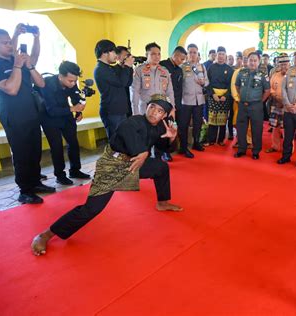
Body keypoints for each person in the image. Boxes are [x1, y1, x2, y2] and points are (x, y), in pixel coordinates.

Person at [30, 95, 182, 256]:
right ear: (146, 106)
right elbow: (132, 142)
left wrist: (172, 138)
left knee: (161, 168)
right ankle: (45, 234)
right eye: (152, 107)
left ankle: (163, 203)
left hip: (134, 164)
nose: (153, 112)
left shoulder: (159, 127)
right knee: (92, 209)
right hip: (113, 166)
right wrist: (144, 152)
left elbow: (164, 148)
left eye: (159, 111)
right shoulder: (132, 122)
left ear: (164, 115)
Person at [0, 25, 55, 204]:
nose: (10, 46)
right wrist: (17, 65)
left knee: (34, 150)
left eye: (10, 42)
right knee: (22, 153)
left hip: (30, 112)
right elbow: (11, 89)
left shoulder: (16, 59)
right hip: (13, 115)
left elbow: (34, 58)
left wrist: (36, 38)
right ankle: (25, 190)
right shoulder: (2, 64)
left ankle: (35, 182)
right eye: (5, 43)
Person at [39, 61, 91, 185]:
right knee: (56, 147)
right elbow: (51, 110)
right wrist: (73, 109)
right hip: (48, 117)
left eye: (75, 81)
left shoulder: (71, 82)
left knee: (73, 142)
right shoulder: (47, 84)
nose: (73, 84)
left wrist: (79, 112)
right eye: (70, 81)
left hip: (65, 114)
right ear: (60, 76)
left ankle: (75, 170)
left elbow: (75, 97)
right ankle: (60, 175)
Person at [94, 39, 134, 139]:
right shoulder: (101, 69)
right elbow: (121, 82)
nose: (116, 55)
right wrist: (127, 66)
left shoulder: (109, 68)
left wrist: (128, 66)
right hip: (111, 111)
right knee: (116, 141)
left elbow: (127, 83)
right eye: (113, 52)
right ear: (104, 53)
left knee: (123, 139)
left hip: (120, 110)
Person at [234, 51, 270, 160]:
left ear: (258, 62)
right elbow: (237, 86)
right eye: (251, 60)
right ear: (247, 61)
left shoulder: (263, 75)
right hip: (243, 105)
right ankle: (241, 149)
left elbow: (267, 91)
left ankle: (255, 151)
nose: (252, 62)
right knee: (241, 128)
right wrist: (242, 97)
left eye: (255, 60)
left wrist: (260, 101)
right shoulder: (241, 72)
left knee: (256, 129)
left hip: (256, 107)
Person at [179, 43, 208, 157]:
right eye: (190, 52)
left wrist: (204, 82)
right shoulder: (182, 67)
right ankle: (184, 147)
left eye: (194, 52)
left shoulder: (202, 67)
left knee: (198, 123)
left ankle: (196, 142)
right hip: (186, 100)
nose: (192, 54)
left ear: (197, 54)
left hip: (199, 100)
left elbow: (207, 81)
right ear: (187, 54)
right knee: (184, 124)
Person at [160, 46, 187, 161]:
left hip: (177, 104)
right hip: (165, 104)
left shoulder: (179, 69)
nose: (183, 61)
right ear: (175, 55)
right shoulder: (163, 66)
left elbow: (179, 89)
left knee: (181, 126)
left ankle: (184, 148)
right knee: (166, 128)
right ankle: (165, 152)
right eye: (181, 59)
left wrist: (177, 106)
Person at [206, 46, 234, 146]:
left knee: (223, 119)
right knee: (212, 119)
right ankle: (211, 140)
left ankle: (221, 140)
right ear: (216, 55)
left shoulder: (229, 69)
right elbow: (207, 82)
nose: (221, 56)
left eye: (223, 54)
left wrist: (226, 95)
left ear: (225, 55)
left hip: (224, 97)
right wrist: (212, 94)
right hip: (213, 96)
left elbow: (232, 85)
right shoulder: (211, 68)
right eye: (219, 54)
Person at [266, 53, 290, 153]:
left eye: (285, 64)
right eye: (282, 64)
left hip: (287, 106)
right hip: (275, 103)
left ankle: (288, 148)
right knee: (275, 127)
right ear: (279, 65)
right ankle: (275, 146)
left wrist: (284, 102)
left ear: (289, 64)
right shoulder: (275, 75)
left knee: (287, 128)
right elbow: (270, 88)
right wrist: (276, 97)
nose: (283, 66)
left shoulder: (292, 76)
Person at [115, 46, 133, 117]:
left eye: (128, 56)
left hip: (130, 104)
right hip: (120, 106)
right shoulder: (114, 70)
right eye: (125, 56)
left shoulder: (129, 69)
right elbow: (123, 83)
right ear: (118, 57)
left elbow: (129, 83)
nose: (127, 58)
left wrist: (129, 68)